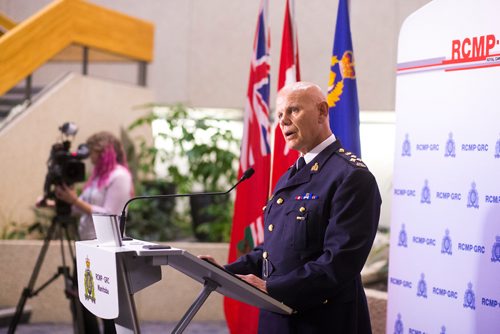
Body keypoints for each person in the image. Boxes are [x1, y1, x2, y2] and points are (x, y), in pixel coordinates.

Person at [203, 82, 381, 333]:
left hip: (323, 322)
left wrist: (273, 288)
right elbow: (274, 249)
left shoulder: (351, 177)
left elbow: (339, 262)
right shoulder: (291, 175)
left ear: (321, 111)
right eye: (278, 115)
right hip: (277, 317)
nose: (283, 121)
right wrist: (226, 272)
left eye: (293, 110)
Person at [54, 131, 133, 334]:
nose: (90, 157)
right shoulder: (98, 177)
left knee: (107, 307)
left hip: (106, 250)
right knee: (81, 302)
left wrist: (75, 200)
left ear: (103, 151)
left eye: (93, 152)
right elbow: (79, 208)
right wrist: (53, 202)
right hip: (87, 247)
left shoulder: (119, 176)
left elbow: (110, 214)